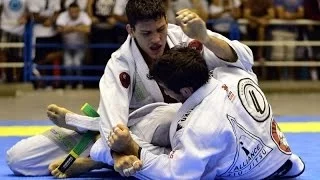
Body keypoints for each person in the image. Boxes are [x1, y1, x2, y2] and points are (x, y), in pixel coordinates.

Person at [7, 0, 250, 177]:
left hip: (186, 128)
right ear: (130, 30)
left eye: (160, 29)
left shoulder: (185, 38)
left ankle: (97, 160)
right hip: (126, 135)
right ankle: (103, 156)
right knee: (19, 158)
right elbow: (116, 126)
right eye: (146, 33)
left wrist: (206, 37)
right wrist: (116, 150)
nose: (156, 39)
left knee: (172, 114)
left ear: (167, 23)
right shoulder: (120, 64)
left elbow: (243, 60)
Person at [107, 46, 305, 179]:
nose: (165, 92)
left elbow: (177, 175)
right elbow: (243, 55)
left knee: (155, 155)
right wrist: (205, 35)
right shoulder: (234, 73)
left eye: (165, 88)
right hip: (281, 156)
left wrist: (134, 147)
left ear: (185, 90)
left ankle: (103, 152)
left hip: (255, 175)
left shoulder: (196, 127)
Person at [56, 2, 92, 89]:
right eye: (72, 12)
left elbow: (87, 29)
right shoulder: (63, 16)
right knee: (67, 64)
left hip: (80, 46)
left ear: (79, 11)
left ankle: (79, 82)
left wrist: (69, 28)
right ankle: (69, 83)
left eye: (76, 12)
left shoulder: (83, 15)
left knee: (77, 63)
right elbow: (59, 29)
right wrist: (78, 27)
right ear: (68, 11)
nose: (74, 14)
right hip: (67, 46)